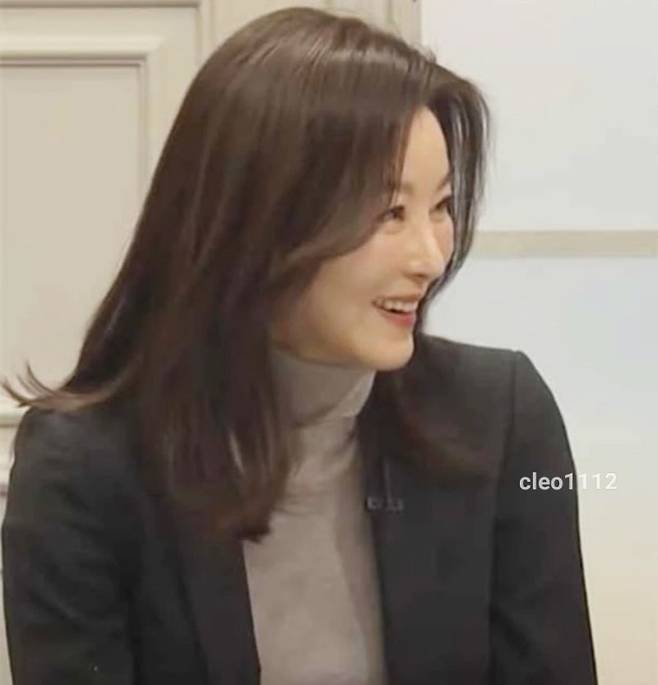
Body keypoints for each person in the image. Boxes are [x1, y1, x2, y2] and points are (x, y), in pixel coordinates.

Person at [0, 6, 598, 684]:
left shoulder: (501, 419)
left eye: (441, 207)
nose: (431, 258)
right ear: (260, 220)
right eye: (389, 212)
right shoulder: (84, 470)